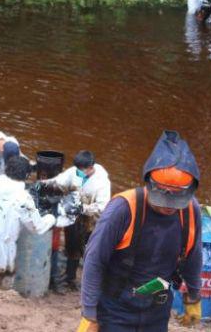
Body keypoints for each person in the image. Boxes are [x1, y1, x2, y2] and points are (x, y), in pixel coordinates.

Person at [77, 131, 203, 332]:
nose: (169, 207)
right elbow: (94, 260)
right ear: (150, 185)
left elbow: (193, 255)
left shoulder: (190, 212)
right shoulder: (124, 209)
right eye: (164, 201)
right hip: (115, 309)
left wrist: (194, 295)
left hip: (157, 309)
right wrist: (90, 313)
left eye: (176, 201)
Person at [0, 155, 57, 288]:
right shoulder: (23, 198)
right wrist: (51, 218)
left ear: (6, 169)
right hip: (2, 248)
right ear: (27, 176)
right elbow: (36, 227)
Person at [41, 150, 111, 291]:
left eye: (81, 171)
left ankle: (90, 279)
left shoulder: (102, 182)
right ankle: (70, 278)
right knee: (71, 248)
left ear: (91, 168)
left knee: (89, 250)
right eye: (77, 170)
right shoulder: (75, 170)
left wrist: (82, 208)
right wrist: (43, 184)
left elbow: (103, 206)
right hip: (72, 218)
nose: (78, 172)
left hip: (90, 222)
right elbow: (59, 181)